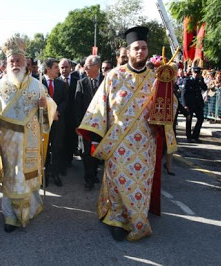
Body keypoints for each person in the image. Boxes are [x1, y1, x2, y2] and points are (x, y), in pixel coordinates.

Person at [78, 26, 163, 241]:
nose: (140, 52)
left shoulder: (157, 78)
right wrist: (97, 137)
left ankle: (137, 221)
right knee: (117, 182)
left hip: (145, 143)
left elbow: (167, 109)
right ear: (129, 50)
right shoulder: (114, 76)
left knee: (140, 184)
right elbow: (99, 107)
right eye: (136, 48)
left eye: (144, 48)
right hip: (118, 143)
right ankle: (117, 218)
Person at [0, 36, 57, 232]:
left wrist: (45, 105)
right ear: (6, 64)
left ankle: (29, 211)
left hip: (30, 140)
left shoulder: (37, 85)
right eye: (11, 61)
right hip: (8, 142)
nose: (15, 64)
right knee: (12, 178)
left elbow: (50, 111)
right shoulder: (0, 86)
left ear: (26, 63)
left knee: (27, 177)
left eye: (18, 61)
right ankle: (10, 216)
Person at [74, 55, 104, 191]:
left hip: (103, 125)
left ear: (97, 67)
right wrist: (78, 125)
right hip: (86, 126)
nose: (84, 68)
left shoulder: (106, 81)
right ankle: (89, 178)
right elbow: (77, 105)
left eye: (88, 66)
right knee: (87, 153)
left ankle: (95, 172)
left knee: (98, 151)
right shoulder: (82, 83)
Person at [43, 58, 68, 186]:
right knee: (45, 148)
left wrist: (57, 112)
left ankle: (55, 173)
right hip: (43, 122)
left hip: (58, 121)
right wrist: (48, 113)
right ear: (48, 69)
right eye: (56, 67)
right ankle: (44, 174)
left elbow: (65, 100)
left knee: (57, 147)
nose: (59, 70)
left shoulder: (61, 83)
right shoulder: (38, 83)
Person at [58, 58, 79, 167]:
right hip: (61, 116)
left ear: (71, 67)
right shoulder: (56, 81)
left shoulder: (77, 80)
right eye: (62, 67)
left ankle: (69, 160)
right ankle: (62, 161)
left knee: (71, 139)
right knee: (61, 140)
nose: (64, 69)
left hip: (73, 117)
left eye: (66, 67)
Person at [182, 66, 207, 143]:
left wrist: (201, 81)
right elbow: (184, 93)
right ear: (192, 73)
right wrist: (185, 104)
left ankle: (195, 136)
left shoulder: (200, 80)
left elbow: (205, 88)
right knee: (189, 119)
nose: (196, 74)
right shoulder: (187, 80)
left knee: (200, 119)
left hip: (198, 103)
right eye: (195, 73)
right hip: (190, 103)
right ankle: (188, 136)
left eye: (198, 73)